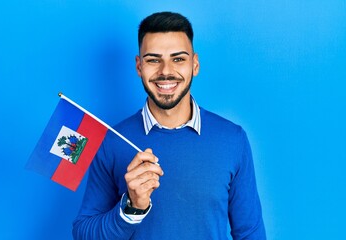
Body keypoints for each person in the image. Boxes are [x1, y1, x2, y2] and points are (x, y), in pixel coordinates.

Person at [73, 11, 266, 239]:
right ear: (139, 66)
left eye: (178, 59)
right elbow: (83, 233)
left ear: (194, 64)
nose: (166, 71)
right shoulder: (112, 141)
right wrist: (131, 208)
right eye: (153, 60)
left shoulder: (233, 139)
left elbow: (250, 234)